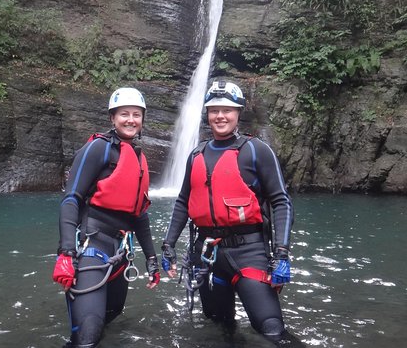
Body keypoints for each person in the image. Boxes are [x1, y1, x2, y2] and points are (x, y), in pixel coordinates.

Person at [161, 80, 294, 345]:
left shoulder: (257, 151)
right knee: (218, 328)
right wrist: (168, 245)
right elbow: (183, 202)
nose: (220, 116)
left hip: (249, 252)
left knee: (271, 328)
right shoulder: (196, 154)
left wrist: (281, 253)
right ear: (207, 114)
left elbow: (281, 201)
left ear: (238, 112)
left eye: (227, 110)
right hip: (208, 255)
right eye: (214, 110)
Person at [52, 87, 160, 348]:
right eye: (124, 114)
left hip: (120, 252)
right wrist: (66, 254)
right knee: (87, 336)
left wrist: (152, 259)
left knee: (108, 318)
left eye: (137, 114)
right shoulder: (98, 148)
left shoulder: (139, 157)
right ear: (113, 118)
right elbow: (71, 199)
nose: (131, 120)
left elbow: (140, 215)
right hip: (92, 247)